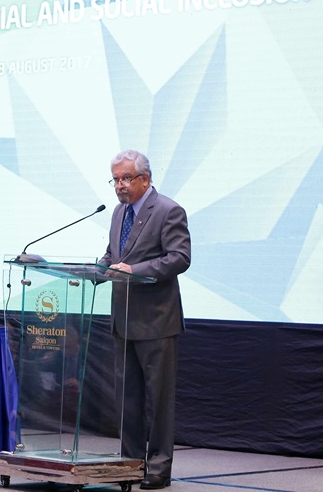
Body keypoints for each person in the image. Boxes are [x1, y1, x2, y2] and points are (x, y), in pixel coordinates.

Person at [98, 150, 191, 490]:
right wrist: (97, 269)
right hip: (123, 321)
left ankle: (159, 468)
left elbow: (180, 257)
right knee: (128, 400)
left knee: (159, 401)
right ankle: (131, 463)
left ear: (145, 179)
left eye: (125, 178)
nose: (119, 185)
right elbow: (114, 255)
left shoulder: (168, 210)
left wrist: (135, 270)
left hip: (156, 322)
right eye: (115, 179)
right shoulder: (118, 212)